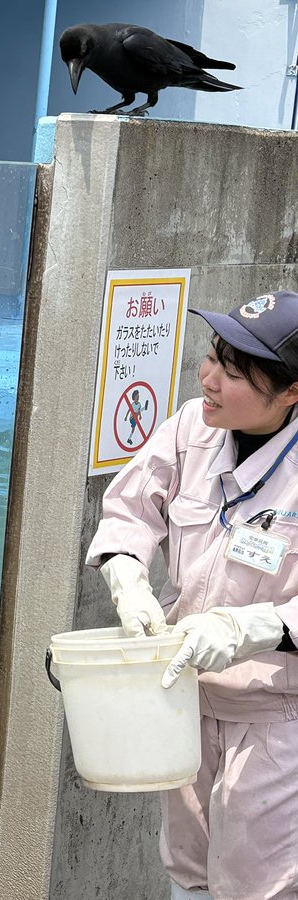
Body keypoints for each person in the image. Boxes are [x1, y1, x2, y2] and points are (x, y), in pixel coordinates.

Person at [86, 290, 298, 900]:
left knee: (257, 882)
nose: (208, 378)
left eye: (233, 373)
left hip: (275, 716)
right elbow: (131, 508)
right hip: (185, 696)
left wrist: (247, 628)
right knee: (187, 865)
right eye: (213, 357)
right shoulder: (189, 428)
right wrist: (127, 576)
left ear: (290, 393)